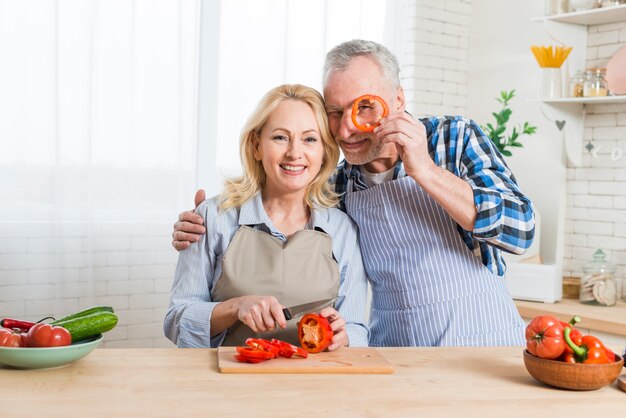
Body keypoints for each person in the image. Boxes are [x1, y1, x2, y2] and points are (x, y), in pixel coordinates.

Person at [172, 40, 535, 347]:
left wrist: (423, 168)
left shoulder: (454, 139)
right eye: (334, 112)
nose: (347, 129)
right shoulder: (337, 187)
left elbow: (521, 232)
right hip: (397, 353)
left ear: (397, 99)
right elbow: (280, 203)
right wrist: (204, 225)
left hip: (486, 345)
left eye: (364, 107)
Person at [164, 84, 369, 349]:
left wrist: (345, 336)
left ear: (324, 153)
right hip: (228, 382)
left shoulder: (342, 229)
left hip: (316, 383)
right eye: (280, 137)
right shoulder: (213, 218)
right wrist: (235, 307)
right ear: (256, 146)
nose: (295, 153)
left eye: (309, 139)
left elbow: (357, 329)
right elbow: (176, 321)